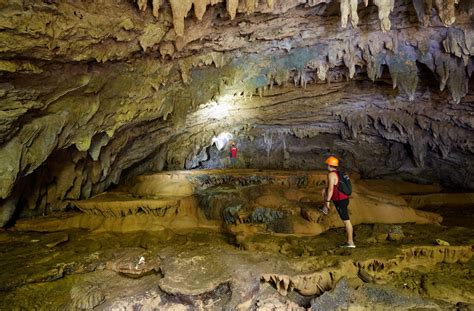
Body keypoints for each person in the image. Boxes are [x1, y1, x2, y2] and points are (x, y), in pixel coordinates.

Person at [320, 156, 355, 248]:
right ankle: (325, 209)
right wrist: (325, 191)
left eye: (327, 164)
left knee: (346, 221)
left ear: (329, 165)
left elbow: (331, 189)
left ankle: (350, 242)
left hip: (340, 200)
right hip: (344, 198)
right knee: (324, 190)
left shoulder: (331, 175)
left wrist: (327, 201)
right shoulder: (340, 173)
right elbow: (331, 187)